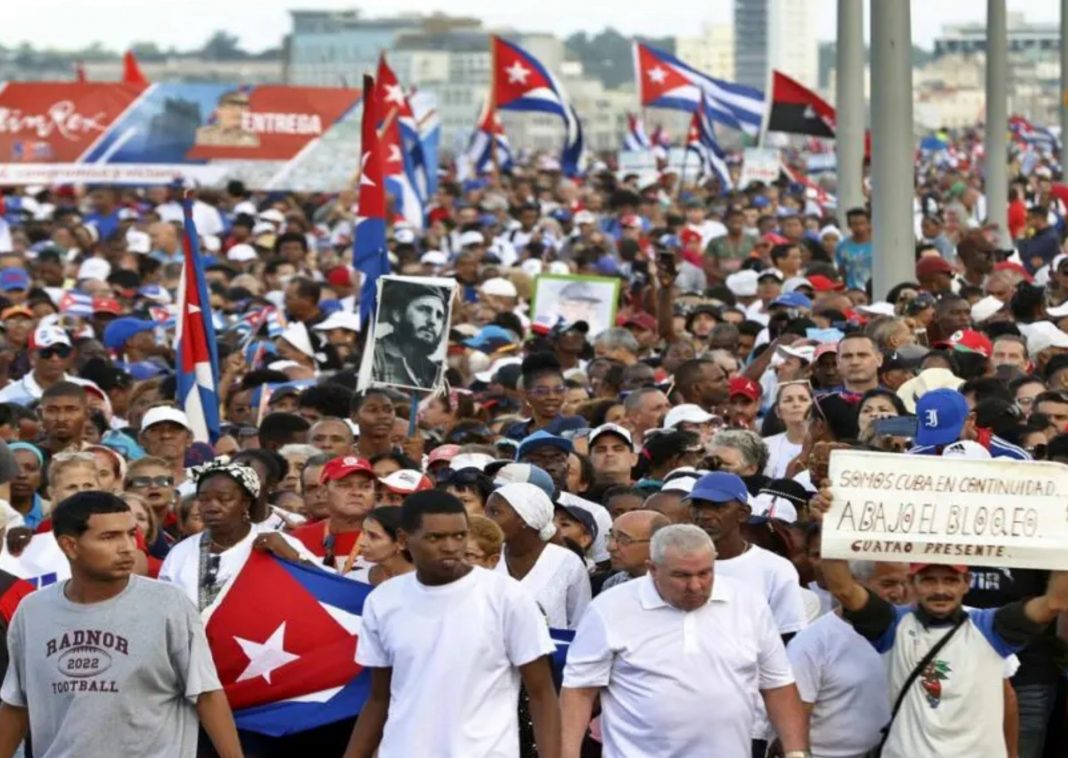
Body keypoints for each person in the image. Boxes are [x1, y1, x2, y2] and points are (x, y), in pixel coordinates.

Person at [0, 491, 243, 758]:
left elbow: (207, 695)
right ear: (70, 545)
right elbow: (16, 705)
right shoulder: (33, 611)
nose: (128, 546)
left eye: (130, 534)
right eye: (109, 537)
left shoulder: (168, 604)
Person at [344, 490, 562, 758]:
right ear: (403, 540)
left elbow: (542, 693)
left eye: (459, 536)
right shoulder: (382, 601)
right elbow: (379, 698)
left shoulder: (507, 597)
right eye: (435, 537)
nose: (450, 547)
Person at [560, 525, 809, 758]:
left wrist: (796, 753)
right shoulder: (610, 608)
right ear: (652, 569)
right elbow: (580, 692)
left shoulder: (748, 603)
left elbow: (777, 685)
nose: (695, 585)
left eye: (705, 573)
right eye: (681, 575)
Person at [819, 550, 1068, 758]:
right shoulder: (891, 626)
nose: (940, 590)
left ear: (966, 583)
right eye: (929, 580)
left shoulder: (992, 628)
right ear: (913, 582)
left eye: (950, 580)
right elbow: (843, 588)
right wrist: (830, 526)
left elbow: (1056, 601)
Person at [785, 560, 910, 758]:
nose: (900, 593)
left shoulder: (916, 632)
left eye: (907, 583)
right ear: (854, 583)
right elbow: (793, 718)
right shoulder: (813, 642)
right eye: (888, 584)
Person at [159, 460, 314, 609]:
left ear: (245, 503)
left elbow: (323, 588)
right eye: (203, 499)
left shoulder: (277, 542)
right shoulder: (180, 553)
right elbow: (165, 607)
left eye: (224, 499)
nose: (212, 507)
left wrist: (291, 557)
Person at [686, 472, 807, 641]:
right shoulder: (676, 563)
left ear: (743, 513)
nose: (704, 515)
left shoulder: (775, 569)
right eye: (698, 506)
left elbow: (788, 634)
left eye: (717, 506)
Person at [486, 482, 591, 629]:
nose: (487, 520)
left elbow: (580, 622)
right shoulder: (486, 556)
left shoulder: (568, 562)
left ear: (524, 518)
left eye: (495, 512)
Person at [290, 455, 377, 573]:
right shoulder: (298, 540)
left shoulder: (390, 539)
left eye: (365, 486)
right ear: (324, 492)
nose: (357, 493)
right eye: (345, 485)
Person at [371, 281, 448, 389]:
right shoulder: (373, 355)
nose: (432, 321)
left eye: (439, 316)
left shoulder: (436, 372)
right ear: (397, 314)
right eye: (424, 310)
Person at [600, 509, 669, 593]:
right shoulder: (613, 583)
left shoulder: (675, 588)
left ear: (657, 543)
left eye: (624, 540)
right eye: (611, 537)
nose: (610, 547)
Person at [349, 507, 414, 586]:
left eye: (373, 536)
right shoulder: (354, 580)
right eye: (363, 533)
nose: (362, 543)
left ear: (401, 542)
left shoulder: (427, 588)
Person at [762, 381, 813, 479]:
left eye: (803, 399)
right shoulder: (765, 446)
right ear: (778, 411)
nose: (796, 404)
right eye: (788, 400)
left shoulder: (826, 445)